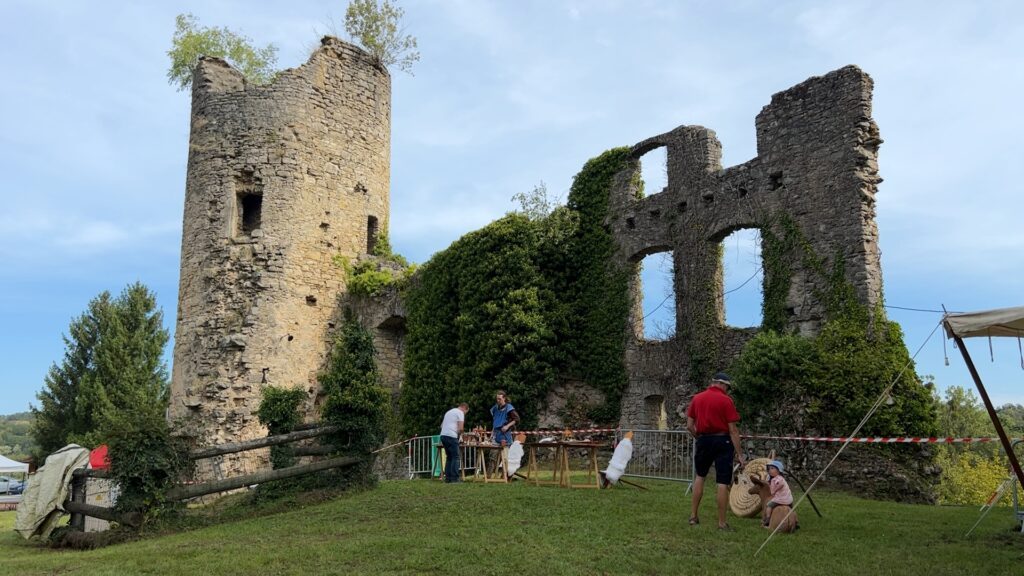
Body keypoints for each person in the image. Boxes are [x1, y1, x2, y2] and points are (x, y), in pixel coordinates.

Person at [686, 372, 745, 531]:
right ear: (723, 385)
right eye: (727, 387)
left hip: (704, 440)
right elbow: (732, 429)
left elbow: (690, 425)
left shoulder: (697, 398)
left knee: (700, 476)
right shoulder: (726, 401)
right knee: (722, 482)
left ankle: (693, 516)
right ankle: (721, 523)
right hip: (722, 440)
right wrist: (740, 454)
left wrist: (698, 437)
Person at [439, 403, 468, 483]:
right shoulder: (460, 412)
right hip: (451, 436)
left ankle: (448, 478)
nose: (464, 414)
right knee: (456, 457)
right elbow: (461, 428)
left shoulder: (449, 412)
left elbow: (441, 426)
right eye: (466, 412)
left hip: (443, 435)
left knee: (449, 457)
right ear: (465, 408)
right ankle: (455, 478)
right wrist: (461, 435)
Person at [761, 460, 794, 527]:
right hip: (788, 499)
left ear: (779, 470)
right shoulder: (780, 478)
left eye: (772, 468)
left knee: (769, 505)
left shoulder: (777, 479)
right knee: (791, 509)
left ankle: (768, 518)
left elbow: (778, 485)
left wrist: (774, 489)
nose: (770, 470)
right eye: (769, 469)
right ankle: (795, 520)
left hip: (781, 498)